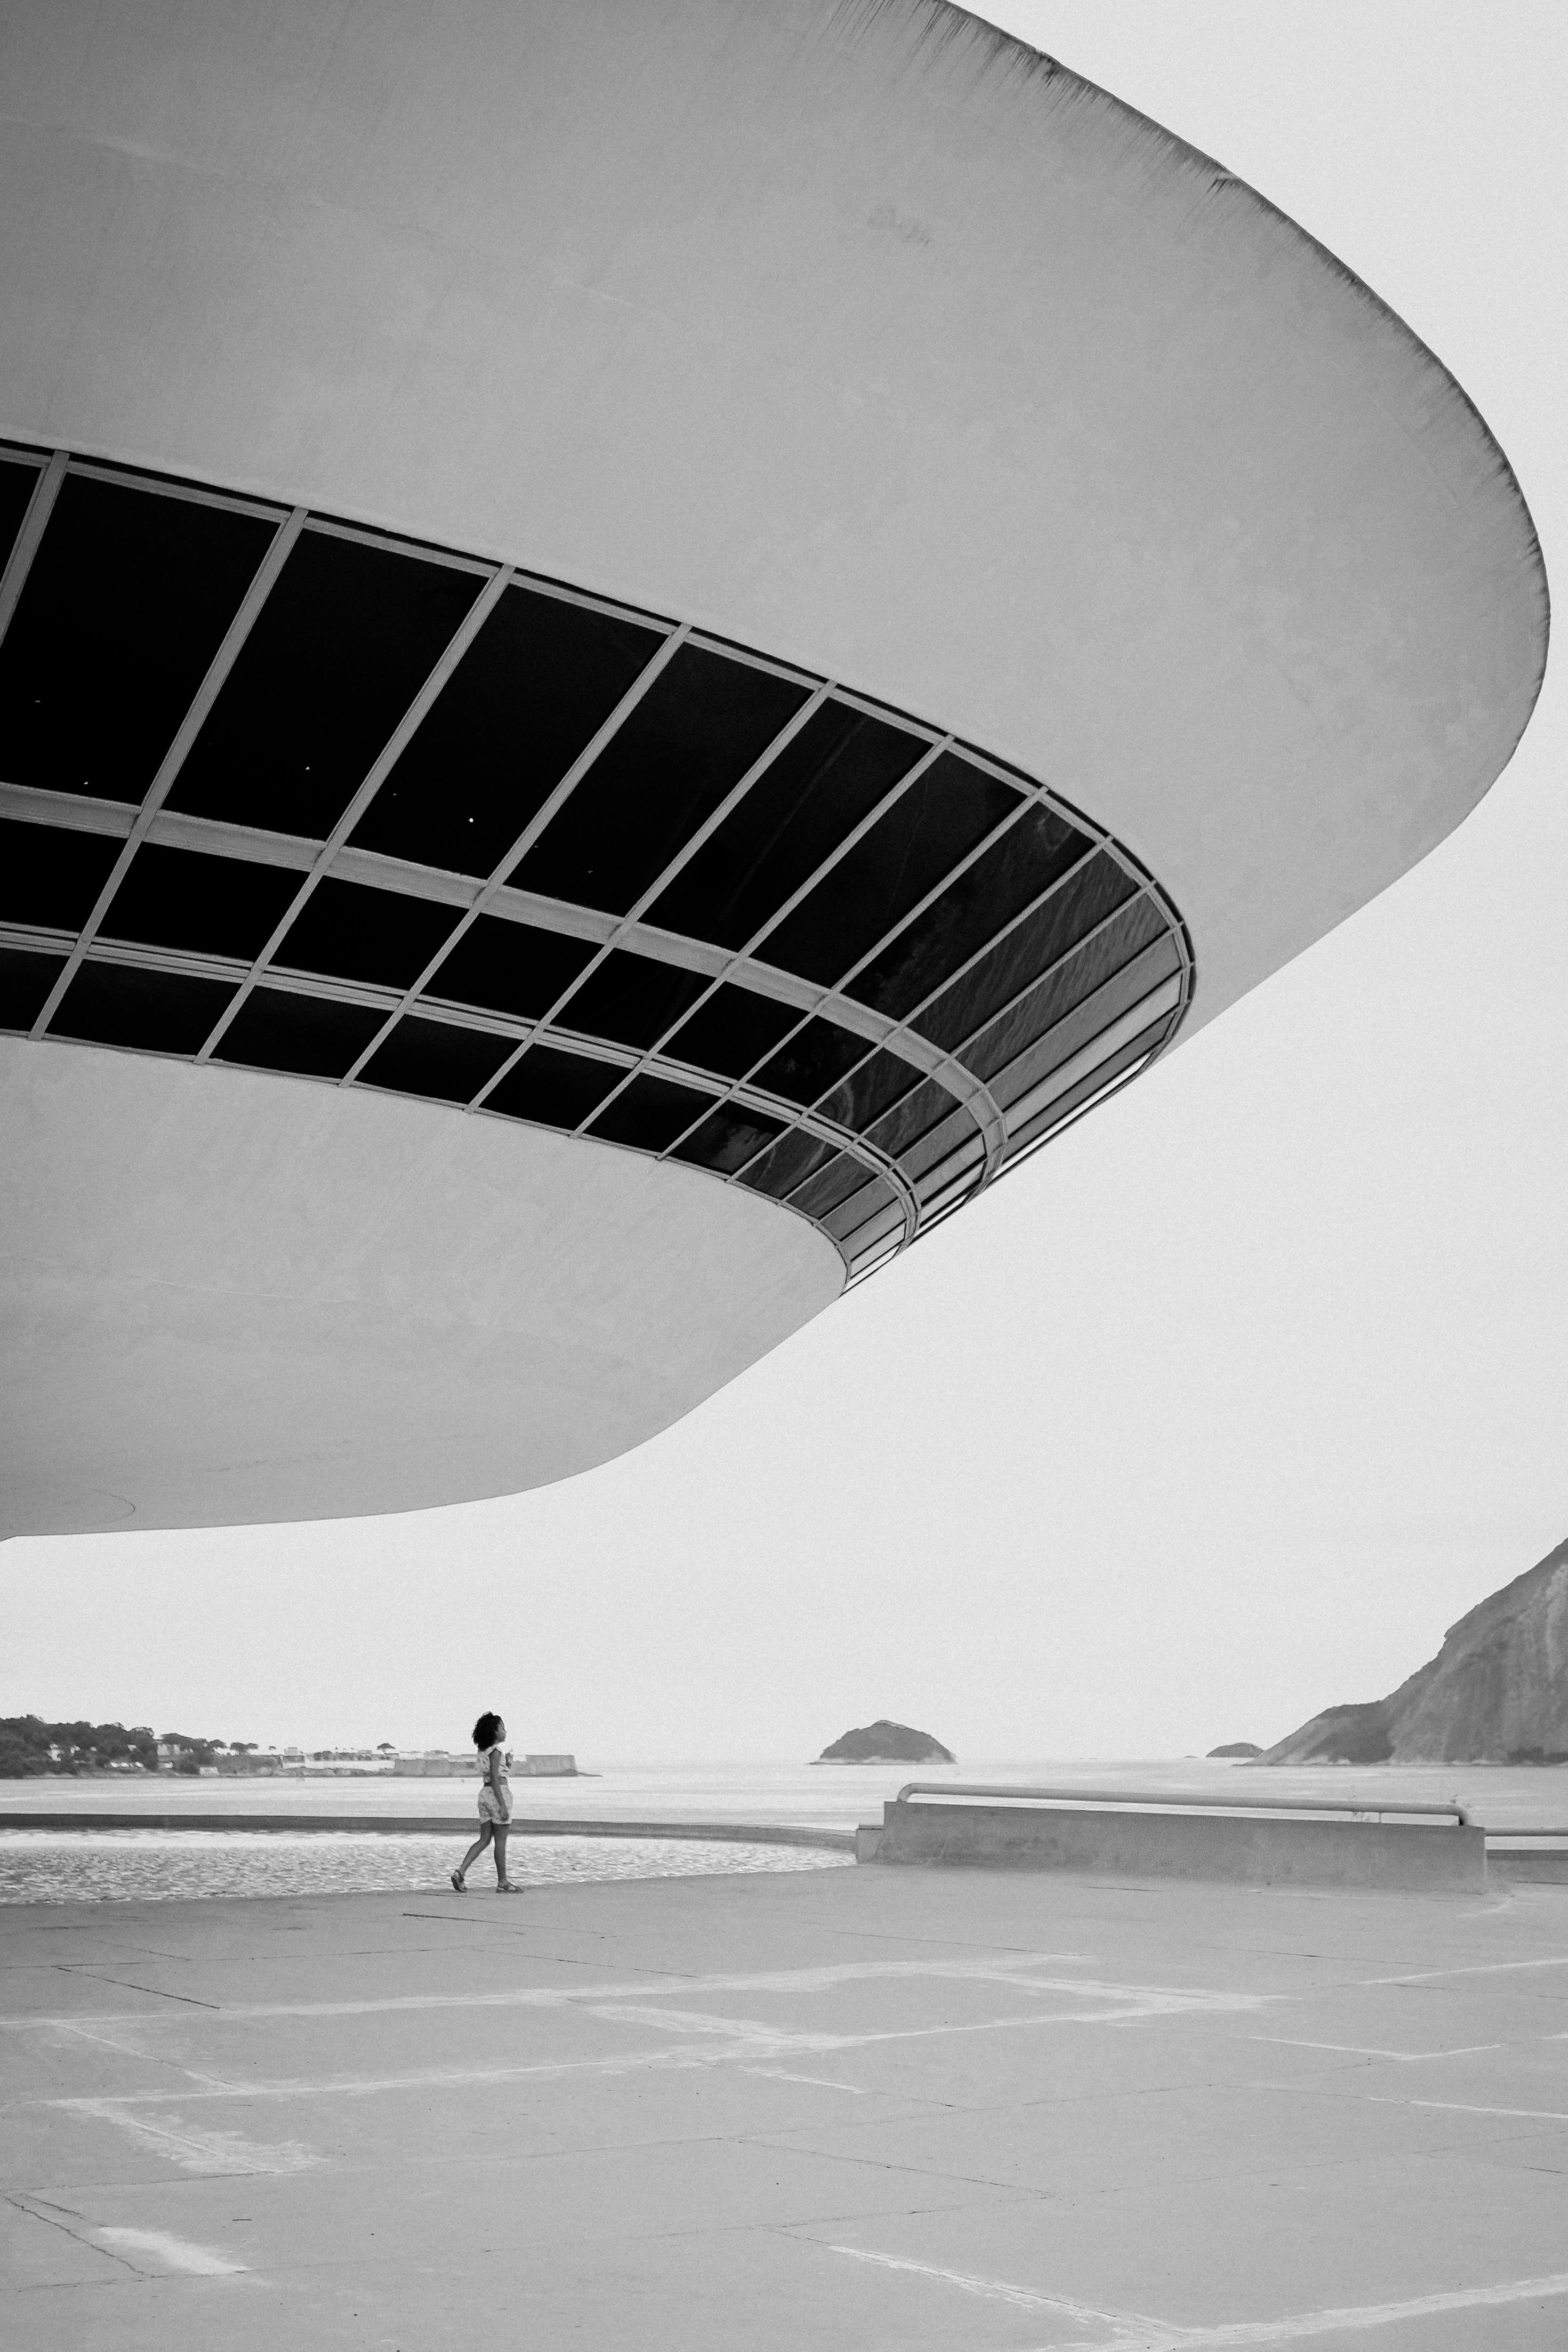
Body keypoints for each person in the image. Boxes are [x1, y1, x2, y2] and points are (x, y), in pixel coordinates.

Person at [451, 1712, 522, 1892]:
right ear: (494, 1732)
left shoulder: (483, 1751)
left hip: (484, 1794)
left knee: (484, 1839)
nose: (505, 1732)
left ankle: (460, 1873)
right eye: (503, 1728)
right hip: (498, 1794)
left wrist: (508, 1764)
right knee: (500, 1841)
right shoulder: (496, 1752)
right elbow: (497, 1780)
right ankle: (503, 1881)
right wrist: (503, 1805)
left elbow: (491, 1773)